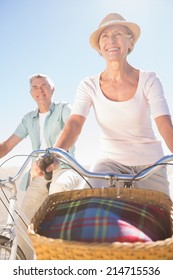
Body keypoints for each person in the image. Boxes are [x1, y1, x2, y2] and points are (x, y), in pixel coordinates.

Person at [36, 13, 173, 196]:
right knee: (87, 206)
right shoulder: (88, 85)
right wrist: (55, 154)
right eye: (105, 36)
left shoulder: (149, 80)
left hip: (150, 164)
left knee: (162, 218)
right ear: (100, 48)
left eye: (118, 34)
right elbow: (74, 124)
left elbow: (164, 124)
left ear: (130, 43)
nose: (111, 41)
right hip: (109, 163)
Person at [0, 74, 81, 221]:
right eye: (35, 87)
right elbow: (7, 145)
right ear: (31, 93)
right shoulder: (28, 119)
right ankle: (24, 244)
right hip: (39, 171)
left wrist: (55, 155)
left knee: (59, 189)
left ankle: (57, 238)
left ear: (52, 90)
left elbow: (72, 127)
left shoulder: (63, 108)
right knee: (24, 218)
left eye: (44, 86)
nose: (40, 90)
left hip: (64, 168)